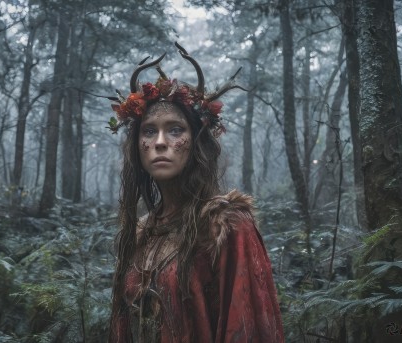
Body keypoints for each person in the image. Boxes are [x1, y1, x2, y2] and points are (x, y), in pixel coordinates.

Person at [107, 43, 284, 343]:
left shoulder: (225, 226)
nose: (160, 142)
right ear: (138, 145)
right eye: (149, 131)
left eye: (175, 130)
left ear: (196, 142)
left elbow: (247, 326)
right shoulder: (140, 233)